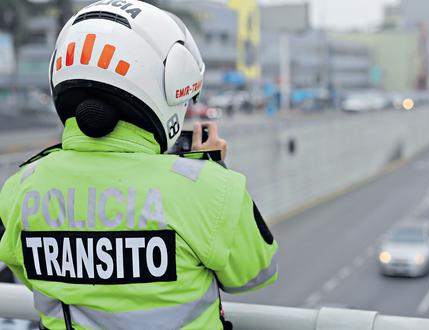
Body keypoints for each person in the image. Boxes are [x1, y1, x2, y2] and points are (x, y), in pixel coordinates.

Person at [0, 1, 278, 329]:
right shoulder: (208, 189)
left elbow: (28, 273)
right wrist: (214, 170)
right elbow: (255, 273)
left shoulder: (21, 188)